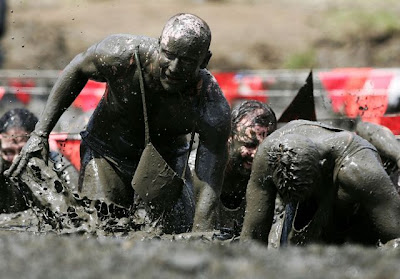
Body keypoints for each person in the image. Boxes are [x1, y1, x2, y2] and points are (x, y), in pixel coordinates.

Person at [6, 13, 231, 233]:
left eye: (188, 61)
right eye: (169, 55)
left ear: (205, 60)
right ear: (160, 44)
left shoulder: (211, 106)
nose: (174, 68)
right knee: (100, 228)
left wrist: (202, 234)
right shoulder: (122, 54)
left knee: (177, 231)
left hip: (167, 161)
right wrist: (39, 135)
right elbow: (77, 68)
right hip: (108, 152)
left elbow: (210, 181)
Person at [240, 119, 400, 246]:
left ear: (322, 166)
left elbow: (395, 240)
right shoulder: (267, 155)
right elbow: (251, 238)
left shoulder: (360, 171)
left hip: (356, 213)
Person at [0, 108, 79, 213]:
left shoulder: (58, 165)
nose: (16, 160)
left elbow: (79, 211)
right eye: (8, 152)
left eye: (22, 152)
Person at [217, 100, 277, 234]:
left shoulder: (273, 176)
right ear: (229, 139)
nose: (257, 154)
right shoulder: (199, 173)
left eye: (264, 147)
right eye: (250, 145)